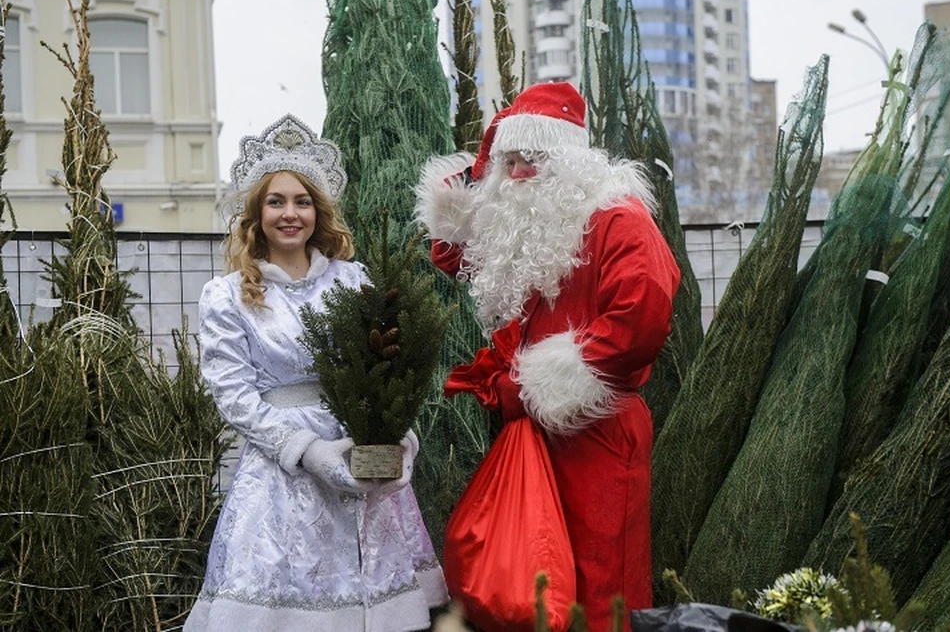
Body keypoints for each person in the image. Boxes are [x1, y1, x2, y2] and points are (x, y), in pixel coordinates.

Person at [415, 82, 680, 631]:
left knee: (601, 577)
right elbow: (452, 245)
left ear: (571, 161)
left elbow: (642, 314)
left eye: (532, 158)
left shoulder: (617, 217)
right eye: (508, 160)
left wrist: (541, 384)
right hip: (537, 430)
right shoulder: (530, 223)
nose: (515, 172)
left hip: (598, 428)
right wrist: (485, 160)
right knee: (538, 578)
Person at [184, 115, 447, 632]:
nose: (290, 214)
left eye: (302, 201)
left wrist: (399, 436)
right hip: (282, 476)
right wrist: (308, 451)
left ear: (318, 210)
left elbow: (386, 369)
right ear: (256, 214)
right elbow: (234, 396)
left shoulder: (353, 280)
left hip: (360, 457)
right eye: (275, 201)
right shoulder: (227, 294)